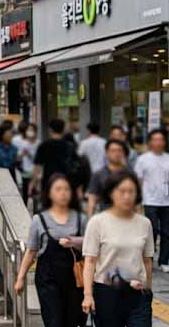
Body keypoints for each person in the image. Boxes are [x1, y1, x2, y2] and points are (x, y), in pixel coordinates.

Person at [82, 171, 154, 326]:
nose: (127, 196)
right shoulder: (97, 222)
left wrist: (148, 289)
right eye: (122, 191)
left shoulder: (145, 223)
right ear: (111, 193)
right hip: (107, 294)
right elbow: (90, 262)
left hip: (138, 295)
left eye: (131, 191)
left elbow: (147, 260)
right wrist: (88, 295)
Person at [15, 173, 87, 327]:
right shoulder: (39, 220)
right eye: (58, 189)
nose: (63, 193)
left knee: (73, 321)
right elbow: (31, 250)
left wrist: (74, 243)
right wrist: (21, 277)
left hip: (75, 279)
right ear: (49, 193)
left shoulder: (81, 219)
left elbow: (91, 248)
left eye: (66, 189)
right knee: (53, 321)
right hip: (48, 279)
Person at [134, 129, 169, 273]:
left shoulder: (168, 158)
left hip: (166, 201)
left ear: (165, 142)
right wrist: (137, 201)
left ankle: (164, 261)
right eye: (155, 139)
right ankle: (148, 258)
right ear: (150, 142)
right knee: (151, 230)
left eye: (161, 139)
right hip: (149, 200)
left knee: (167, 232)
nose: (158, 142)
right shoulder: (143, 159)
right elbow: (138, 180)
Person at [32, 119, 83, 200]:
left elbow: (38, 166)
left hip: (48, 181)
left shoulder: (44, 145)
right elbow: (76, 167)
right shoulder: (69, 146)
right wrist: (78, 188)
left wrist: (32, 183)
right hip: (66, 182)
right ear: (63, 130)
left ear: (50, 129)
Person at [87, 139, 131, 217]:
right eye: (113, 151)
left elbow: (137, 200)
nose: (116, 153)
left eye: (119, 150)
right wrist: (90, 219)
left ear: (123, 153)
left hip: (126, 216)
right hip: (105, 216)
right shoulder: (99, 174)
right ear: (107, 153)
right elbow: (92, 198)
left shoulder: (130, 174)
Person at [14, 122, 40, 202]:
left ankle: (36, 211)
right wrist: (22, 155)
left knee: (35, 192)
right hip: (25, 171)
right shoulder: (23, 143)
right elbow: (18, 158)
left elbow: (39, 160)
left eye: (31, 130)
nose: (29, 131)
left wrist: (29, 154)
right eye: (28, 130)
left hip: (36, 172)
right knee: (25, 192)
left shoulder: (38, 143)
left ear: (35, 131)